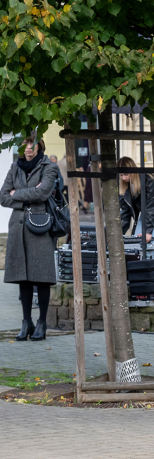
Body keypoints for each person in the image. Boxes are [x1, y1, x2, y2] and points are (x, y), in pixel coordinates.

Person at [2, 131, 59, 341]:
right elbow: (2, 196)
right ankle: (26, 322)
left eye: (31, 144)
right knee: (22, 278)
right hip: (18, 228)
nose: (27, 148)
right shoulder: (14, 167)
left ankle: (42, 322)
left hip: (40, 226)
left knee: (41, 277)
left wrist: (16, 194)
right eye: (24, 144)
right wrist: (26, 196)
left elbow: (43, 192)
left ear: (39, 146)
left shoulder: (49, 167)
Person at [117, 157, 154, 245]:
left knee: (152, 244)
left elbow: (152, 206)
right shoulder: (123, 187)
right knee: (138, 242)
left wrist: (148, 231)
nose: (123, 178)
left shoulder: (147, 179)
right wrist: (117, 234)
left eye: (126, 174)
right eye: (121, 175)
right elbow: (125, 213)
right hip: (145, 212)